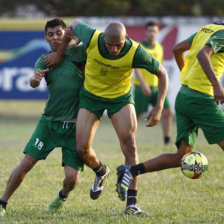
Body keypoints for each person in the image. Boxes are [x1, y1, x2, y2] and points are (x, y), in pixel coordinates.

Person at [44, 19, 168, 215]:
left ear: (126, 38)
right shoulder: (92, 37)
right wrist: (60, 53)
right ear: (103, 38)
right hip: (90, 98)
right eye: (109, 44)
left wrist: (160, 105)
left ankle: (132, 203)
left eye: (118, 45)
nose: (113, 49)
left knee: (130, 145)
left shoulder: (135, 51)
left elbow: (162, 73)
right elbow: (74, 24)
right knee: (81, 149)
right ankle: (101, 171)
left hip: (120, 99)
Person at [116, 22, 224, 202]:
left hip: (184, 96)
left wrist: (186, 76)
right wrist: (216, 85)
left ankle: (130, 170)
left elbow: (177, 49)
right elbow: (203, 54)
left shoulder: (208, 29)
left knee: (182, 156)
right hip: (201, 100)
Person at [0, 18, 87, 217]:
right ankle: (2, 202)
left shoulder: (79, 54)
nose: (55, 37)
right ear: (45, 38)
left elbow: (82, 28)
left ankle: (62, 196)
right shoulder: (45, 60)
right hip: (49, 123)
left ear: (66, 34)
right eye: (51, 34)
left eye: (59, 33)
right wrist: (34, 79)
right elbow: (32, 82)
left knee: (72, 180)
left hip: (74, 126)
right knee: (27, 163)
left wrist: (73, 40)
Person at [133, 21, 173, 145]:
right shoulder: (139, 47)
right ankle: (130, 138)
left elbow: (161, 68)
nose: (152, 33)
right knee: (136, 116)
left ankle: (167, 139)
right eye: (149, 31)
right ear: (146, 32)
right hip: (141, 87)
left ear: (157, 33)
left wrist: (164, 83)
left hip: (157, 87)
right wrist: (143, 83)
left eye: (154, 31)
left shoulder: (159, 47)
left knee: (168, 111)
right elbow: (136, 67)